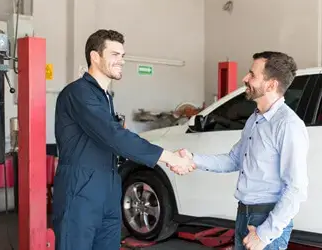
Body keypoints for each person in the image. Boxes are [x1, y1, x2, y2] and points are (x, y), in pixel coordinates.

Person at [52, 29, 195, 250]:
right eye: (115, 55)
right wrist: (169, 158)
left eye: (123, 55)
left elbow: (112, 137)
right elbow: (114, 136)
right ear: (95, 57)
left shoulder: (105, 97)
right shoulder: (78, 93)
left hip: (108, 188)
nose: (122, 61)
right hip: (80, 190)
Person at [175, 51, 309, 250]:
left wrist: (264, 235)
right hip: (243, 213)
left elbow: (296, 189)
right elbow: (234, 159)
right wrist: (193, 159)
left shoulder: (288, 125)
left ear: (271, 85)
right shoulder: (255, 119)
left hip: (265, 218)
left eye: (252, 75)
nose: (245, 78)